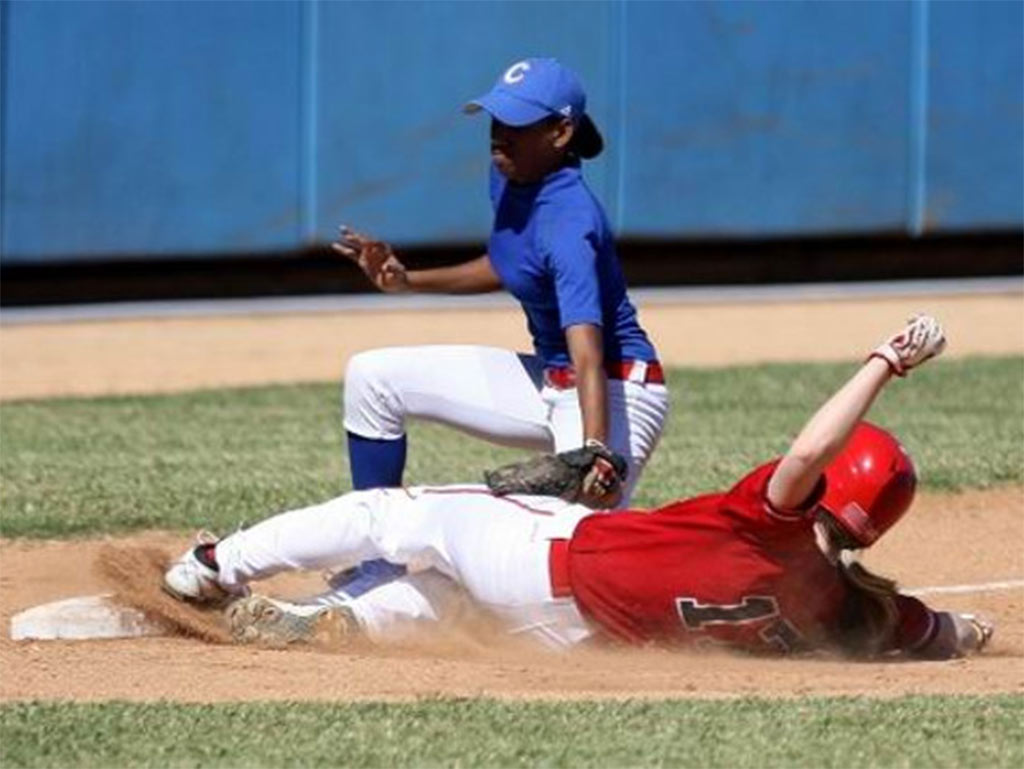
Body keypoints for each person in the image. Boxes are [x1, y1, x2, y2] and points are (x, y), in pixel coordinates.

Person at [164, 315, 993, 659]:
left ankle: (214, 561)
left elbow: (810, 447)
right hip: (568, 632)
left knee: (392, 515)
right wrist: (965, 628)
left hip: (551, 552)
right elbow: (935, 628)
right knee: (446, 602)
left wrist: (884, 362)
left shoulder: (767, 525)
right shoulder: (845, 612)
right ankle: (336, 621)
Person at [327, 58, 670, 596]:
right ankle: (378, 567)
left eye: (516, 124)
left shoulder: (570, 222)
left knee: (552, 562)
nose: (498, 136)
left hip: (615, 388)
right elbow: (506, 264)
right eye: (496, 119)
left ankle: (673, 587)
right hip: (551, 382)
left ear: (560, 132)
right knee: (373, 377)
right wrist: (406, 280)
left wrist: (596, 450)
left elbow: (589, 353)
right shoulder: (512, 177)